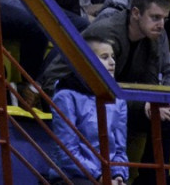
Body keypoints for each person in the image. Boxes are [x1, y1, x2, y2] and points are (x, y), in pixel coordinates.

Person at [41, 0, 170, 185]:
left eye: (164, 19)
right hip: (78, 90)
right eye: (155, 17)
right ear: (135, 13)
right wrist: (102, 177)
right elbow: (68, 150)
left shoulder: (156, 35)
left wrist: (165, 101)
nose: (161, 25)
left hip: (115, 98)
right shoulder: (106, 33)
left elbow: (169, 70)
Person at [48, 34, 128, 185]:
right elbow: (67, 151)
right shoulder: (66, 96)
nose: (112, 62)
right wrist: (99, 177)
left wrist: (119, 176)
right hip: (72, 175)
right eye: (104, 57)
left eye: (112, 57)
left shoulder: (118, 99)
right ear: (86, 62)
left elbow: (119, 149)